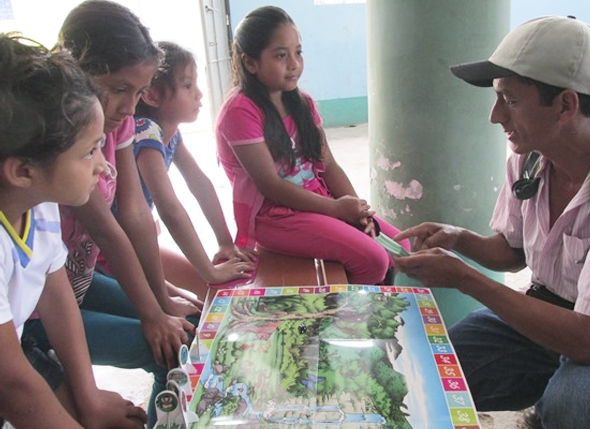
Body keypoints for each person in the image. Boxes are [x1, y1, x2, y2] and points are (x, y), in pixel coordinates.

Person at [393, 16, 590, 429]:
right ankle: (547, 399)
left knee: (578, 409)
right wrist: (458, 239)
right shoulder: (529, 156)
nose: (495, 116)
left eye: (509, 100)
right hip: (545, 308)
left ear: (565, 105)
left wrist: (465, 278)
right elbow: (512, 254)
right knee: (430, 372)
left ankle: (555, 407)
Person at [20, 2, 199, 427]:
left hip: (73, 282)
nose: (130, 106)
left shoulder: (117, 122)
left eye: (139, 93)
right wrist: (154, 311)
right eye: (119, 88)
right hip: (34, 314)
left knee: (184, 326)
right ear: (75, 68)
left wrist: (161, 299)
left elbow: (134, 214)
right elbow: (109, 228)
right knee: (169, 347)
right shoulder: (61, 145)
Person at [0, 33, 147, 428]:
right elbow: (13, 385)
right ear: (23, 171)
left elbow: (55, 291)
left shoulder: (38, 201)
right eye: (88, 152)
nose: (104, 166)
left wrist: (89, 396)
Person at [216, 6, 408, 285]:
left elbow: (328, 164)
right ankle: (346, 322)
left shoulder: (301, 102)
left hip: (317, 200)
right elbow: (271, 185)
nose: (294, 63)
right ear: (250, 63)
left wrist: (358, 212)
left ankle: (363, 309)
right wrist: (335, 210)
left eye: (298, 52)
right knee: (374, 260)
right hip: (274, 216)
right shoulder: (240, 111)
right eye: (281, 55)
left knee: (401, 248)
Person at [134, 41, 255, 300]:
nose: (199, 94)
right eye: (188, 86)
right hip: (118, 253)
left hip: (138, 245)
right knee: (196, 301)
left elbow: (200, 185)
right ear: (151, 95)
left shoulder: (170, 134)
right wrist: (210, 272)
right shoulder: (144, 130)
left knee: (210, 293)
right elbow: (170, 208)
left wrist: (225, 242)